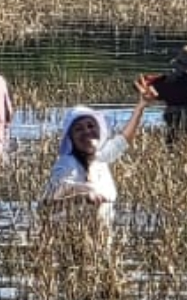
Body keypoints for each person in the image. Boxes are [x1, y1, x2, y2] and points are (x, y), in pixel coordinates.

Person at [39, 82, 153, 240]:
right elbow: (46, 204)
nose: (87, 132)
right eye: (78, 129)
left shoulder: (101, 158)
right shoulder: (67, 163)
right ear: (71, 139)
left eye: (90, 126)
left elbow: (124, 139)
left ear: (99, 130)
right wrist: (82, 194)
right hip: (71, 240)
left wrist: (141, 107)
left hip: (100, 239)